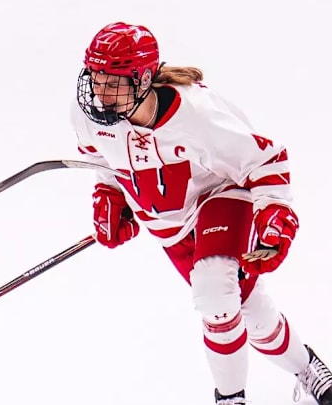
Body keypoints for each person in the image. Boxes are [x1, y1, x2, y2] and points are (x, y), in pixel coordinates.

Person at [72, 21, 332, 404]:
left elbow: (264, 158)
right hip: (169, 228)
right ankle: (306, 367)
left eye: (112, 81)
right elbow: (102, 163)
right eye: (94, 77)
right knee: (251, 311)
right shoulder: (90, 119)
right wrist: (109, 196)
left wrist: (275, 212)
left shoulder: (195, 114)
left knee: (214, 291)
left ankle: (229, 398)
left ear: (142, 78)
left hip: (221, 196)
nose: (99, 92)